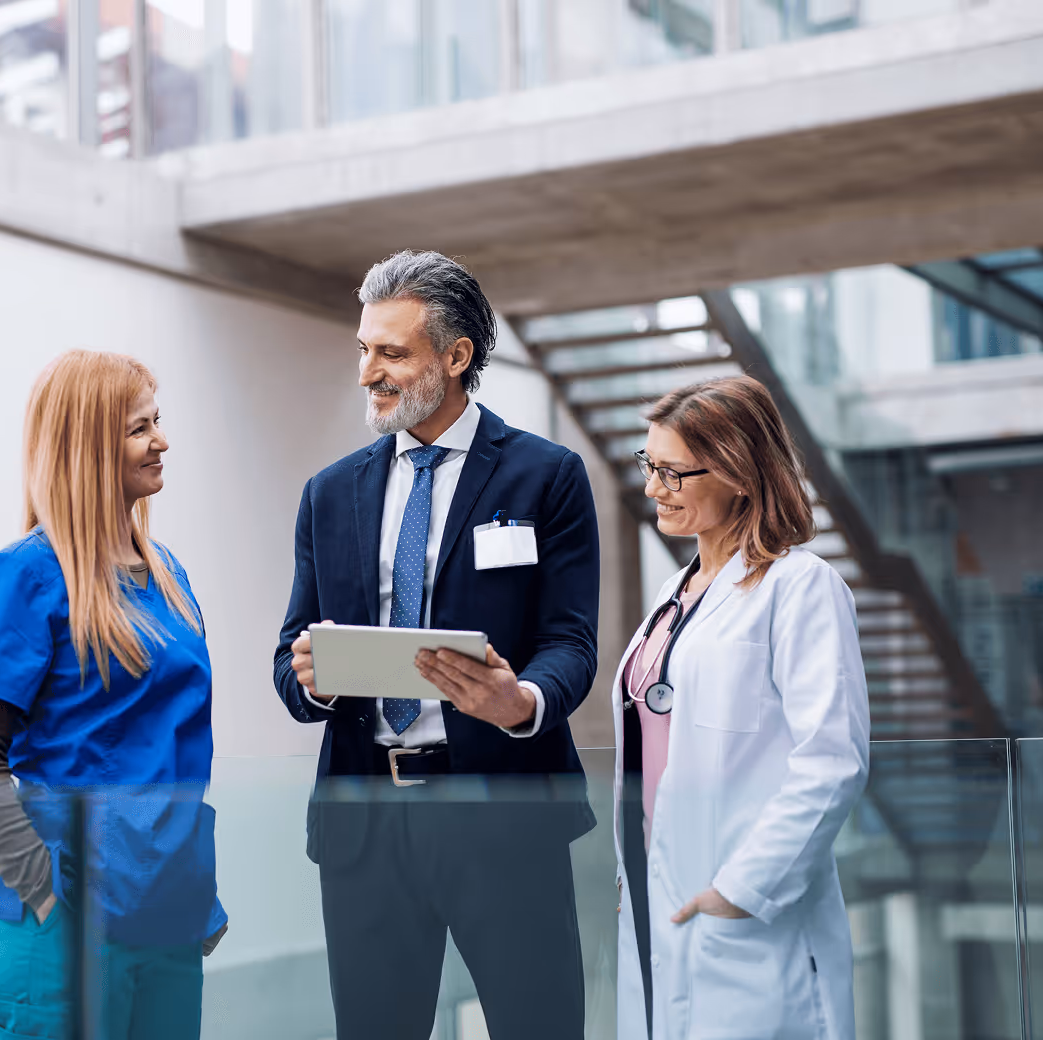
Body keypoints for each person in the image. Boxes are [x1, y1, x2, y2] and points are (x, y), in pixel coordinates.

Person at [273, 250, 600, 1040]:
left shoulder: (545, 477)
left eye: (391, 353)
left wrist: (522, 701)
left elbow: (571, 642)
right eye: (363, 349)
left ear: (456, 359)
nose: (367, 372)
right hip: (367, 821)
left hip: (503, 810)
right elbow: (291, 655)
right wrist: (311, 678)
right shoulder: (330, 492)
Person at [0, 350, 227, 1040]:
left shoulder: (169, 577)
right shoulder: (24, 576)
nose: (162, 441)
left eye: (158, 422)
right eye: (140, 428)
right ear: (89, 443)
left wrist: (194, 889)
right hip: (66, 926)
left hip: (167, 914)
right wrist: (43, 892)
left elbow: (170, 747)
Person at [612, 375, 870, 1040]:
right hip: (656, 895)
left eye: (673, 473)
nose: (653, 489)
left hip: (746, 908)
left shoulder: (801, 587)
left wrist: (741, 893)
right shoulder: (677, 591)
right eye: (650, 466)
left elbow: (832, 763)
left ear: (738, 473)